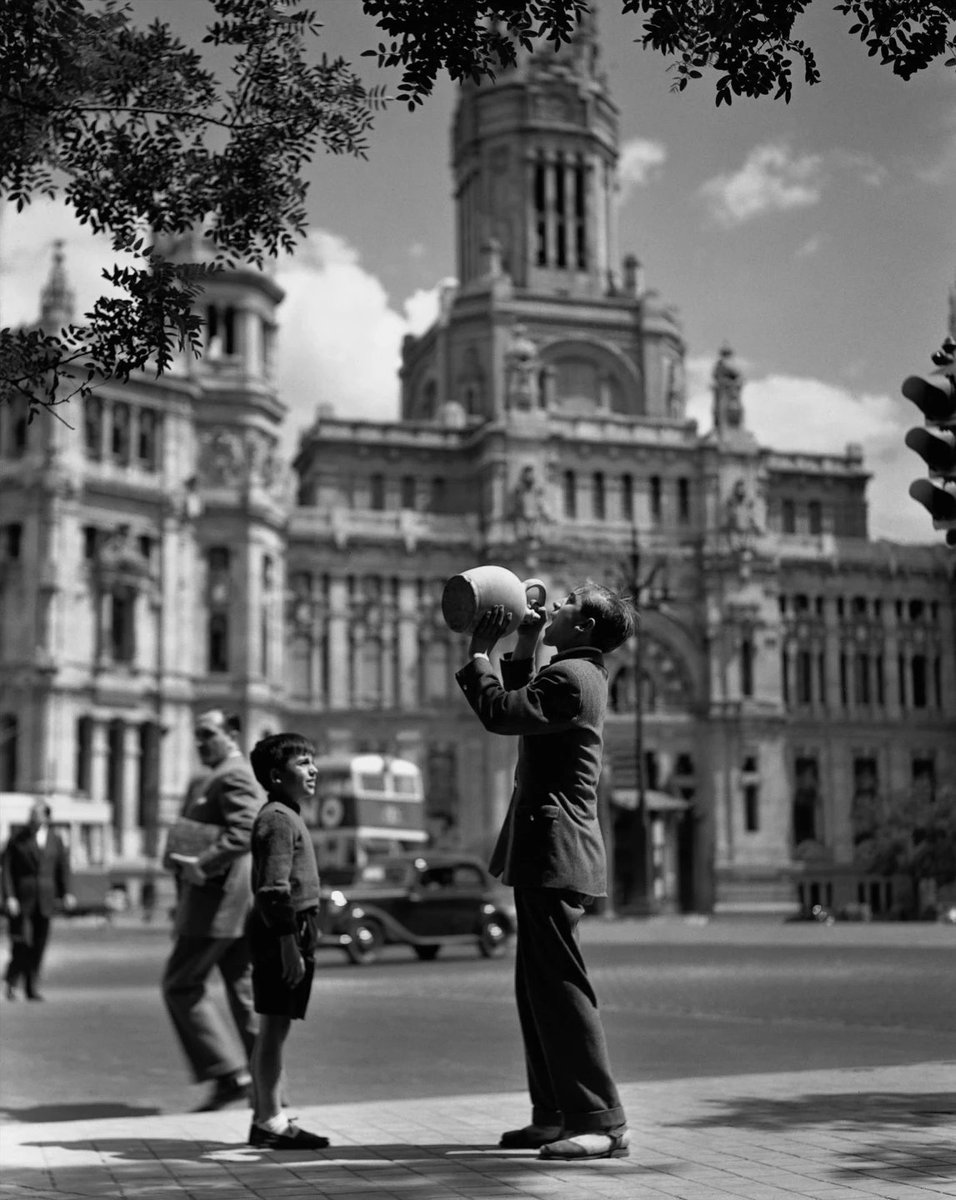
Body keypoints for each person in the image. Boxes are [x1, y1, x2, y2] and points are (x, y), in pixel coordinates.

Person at [455, 582, 635, 1161]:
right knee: (538, 989)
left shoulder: (573, 680)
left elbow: (504, 714)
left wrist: (479, 652)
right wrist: (526, 641)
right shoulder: (571, 675)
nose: (554, 606)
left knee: (559, 987)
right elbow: (527, 705)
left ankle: (599, 1120)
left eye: (567, 605)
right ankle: (556, 1111)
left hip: (557, 850)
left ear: (584, 627)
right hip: (547, 847)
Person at [162, 709, 262, 1112]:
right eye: (197, 736)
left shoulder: (232, 774)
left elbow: (245, 830)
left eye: (208, 734)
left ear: (232, 734)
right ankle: (270, 1093)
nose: (200, 743)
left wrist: (201, 863)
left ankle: (228, 1073)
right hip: (230, 905)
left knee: (180, 984)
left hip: (218, 905)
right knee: (244, 996)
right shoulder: (213, 777)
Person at [246, 732, 329, 1150]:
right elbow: (274, 889)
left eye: (312, 761)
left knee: (274, 1028)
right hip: (284, 930)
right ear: (277, 776)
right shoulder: (278, 819)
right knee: (274, 1028)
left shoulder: (285, 814)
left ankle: (267, 1112)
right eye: (303, 764)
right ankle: (269, 1121)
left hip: (292, 929)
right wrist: (287, 945)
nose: (313, 770)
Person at [1, 800, 76, 1001]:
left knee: (39, 945)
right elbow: (6, 870)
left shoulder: (55, 840)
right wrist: (9, 897)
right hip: (21, 900)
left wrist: (66, 893)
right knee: (22, 942)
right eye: (31, 813)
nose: (32, 817)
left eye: (36, 814)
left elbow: (62, 868)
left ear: (46, 817)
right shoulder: (17, 839)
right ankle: (11, 980)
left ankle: (31, 987)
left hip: (46, 900)